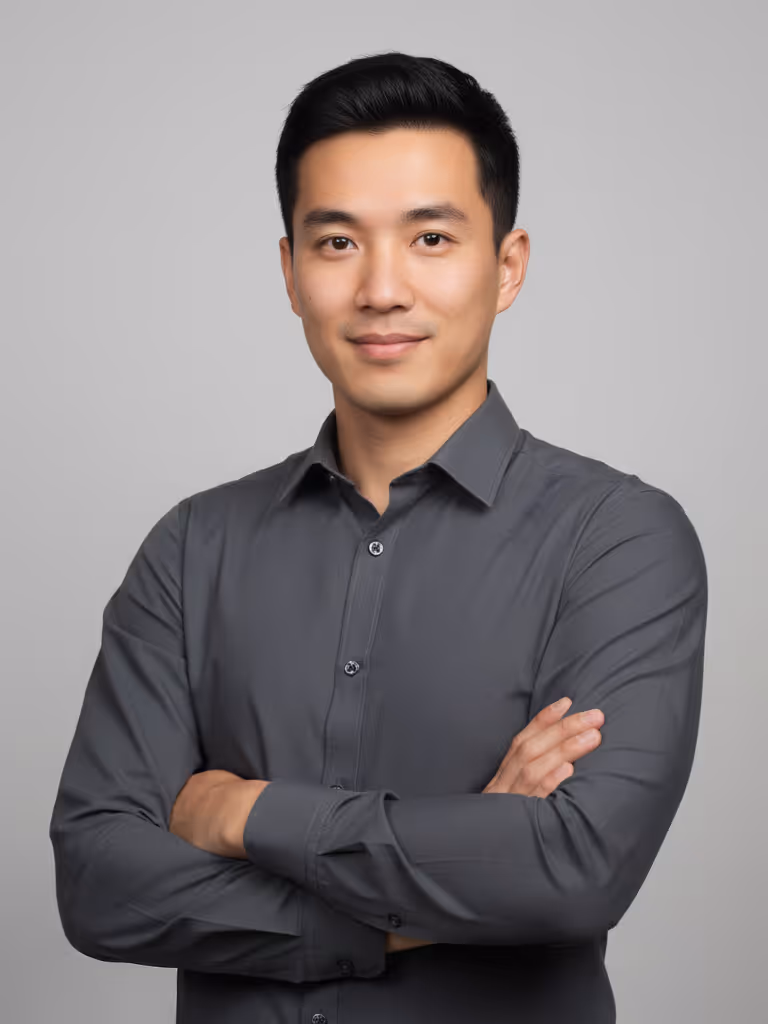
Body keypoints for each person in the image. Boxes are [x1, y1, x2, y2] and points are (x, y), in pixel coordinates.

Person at [49, 51, 708, 1024]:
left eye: (432, 237)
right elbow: (102, 882)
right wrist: (435, 884)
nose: (383, 289)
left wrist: (243, 812)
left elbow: (572, 868)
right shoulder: (194, 549)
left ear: (507, 265)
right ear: (290, 271)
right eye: (338, 243)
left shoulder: (616, 540)